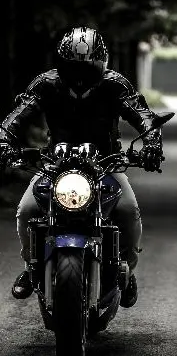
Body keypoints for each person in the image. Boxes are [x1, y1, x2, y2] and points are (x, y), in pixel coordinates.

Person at [0, 27, 164, 308]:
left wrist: (152, 144)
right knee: (27, 210)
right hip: (55, 165)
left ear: (102, 63)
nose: (79, 75)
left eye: (87, 68)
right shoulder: (45, 84)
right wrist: (3, 142)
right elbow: (15, 118)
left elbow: (143, 116)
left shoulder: (116, 84)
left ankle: (127, 270)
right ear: (61, 63)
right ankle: (31, 266)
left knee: (127, 211)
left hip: (106, 164)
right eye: (72, 67)